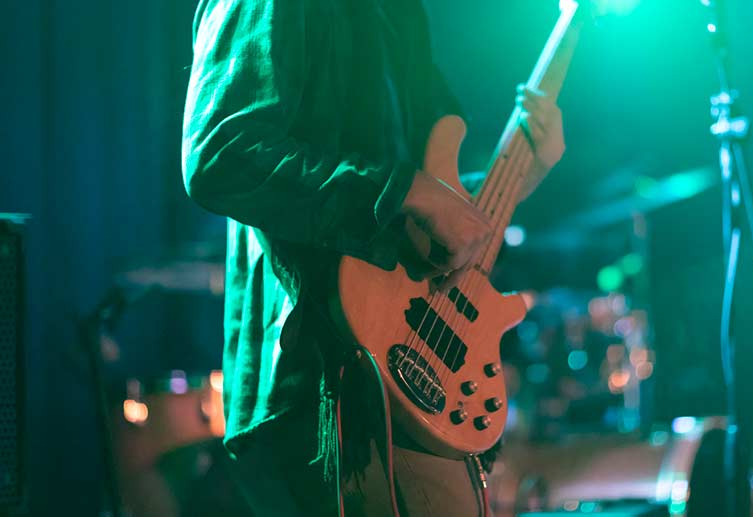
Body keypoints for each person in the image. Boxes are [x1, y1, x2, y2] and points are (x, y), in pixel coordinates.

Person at [181, 0, 565, 515]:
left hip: (400, 363)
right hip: (319, 376)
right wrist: (405, 190)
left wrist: (520, 178)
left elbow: (417, 218)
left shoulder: (400, 12)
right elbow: (218, 149)